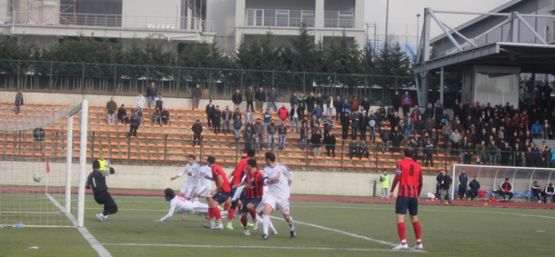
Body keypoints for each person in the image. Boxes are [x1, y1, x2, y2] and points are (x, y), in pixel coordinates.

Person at [388, 148, 423, 250]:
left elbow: (397, 177)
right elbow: (421, 182)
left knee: (400, 218)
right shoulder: (418, 165)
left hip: (403, 195)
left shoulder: (400, 163)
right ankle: (419, 242)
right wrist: (418, 193)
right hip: (413, 196)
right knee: (414, 218)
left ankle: (403, 243)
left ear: (404, 154)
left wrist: (391, 191)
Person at [260, 152, 296, 240]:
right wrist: (272, 180)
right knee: (266, 210)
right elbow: (264, 181)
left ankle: (291, 227)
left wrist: (286, 188)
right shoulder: (266, 169)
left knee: (286, 217)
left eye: (265, 159)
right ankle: (265, 234)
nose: (264, 161)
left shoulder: (282, 167)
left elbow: (290, 177)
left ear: (268, 159)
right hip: (271, 194)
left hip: (282, 196)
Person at [226, 149, 256, 230]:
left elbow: (235, 172)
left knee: (242, 204)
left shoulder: (241, 161)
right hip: (240, 185)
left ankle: (242, 222)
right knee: (237, 204)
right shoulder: (249, 162)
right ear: (254, 156)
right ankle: (229, 222)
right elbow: (245, 172)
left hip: (237, 184)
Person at [235, 159, 264, 236]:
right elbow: (245, 181)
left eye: (247, 164)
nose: (246, 166)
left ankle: (255, 220)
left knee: (250, 206)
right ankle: (245, 229)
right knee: (243, 216)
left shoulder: (259, 174)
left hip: (256, 197)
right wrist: (237, 185)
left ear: (250, 165)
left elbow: (264, 183)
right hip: (247, 197)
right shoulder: (248, 173)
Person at [206, 156, 232, 230]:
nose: (206, 162)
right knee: (210, 203)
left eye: (206, 161)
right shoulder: (216, 167)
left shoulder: (214, 168)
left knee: (213, 204)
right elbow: (221, 177)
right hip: (224, 189)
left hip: (224, 190)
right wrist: (209, 178)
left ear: (208, 162)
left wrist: (216, 190)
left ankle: (219, 224)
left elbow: (221, 181)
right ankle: (212, 223)